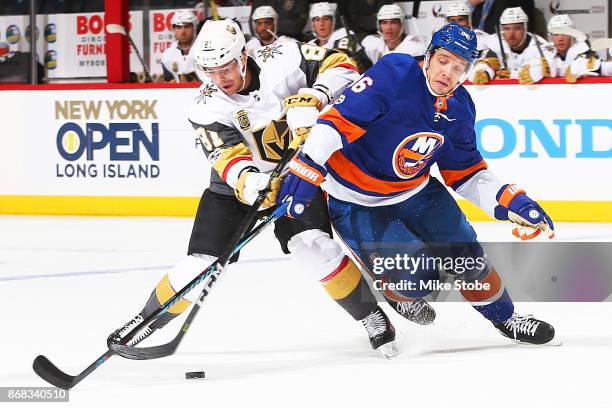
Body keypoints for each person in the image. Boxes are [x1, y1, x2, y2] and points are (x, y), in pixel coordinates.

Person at [108, 19, 435, 359]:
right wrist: (252, 182)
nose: (220, 79)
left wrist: (315, 95)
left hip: (295, 179)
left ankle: (372, 317)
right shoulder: (205, 106)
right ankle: (144, 322)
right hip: (234, 190)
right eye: (210, 71)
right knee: (199, 266)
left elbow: (343, 65)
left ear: (243, 56)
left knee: (315, 249)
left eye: (225, 68)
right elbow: (227, 157)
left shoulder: (285, 56)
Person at [277, 23, 558, 346]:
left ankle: (507, 319)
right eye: (443, 61)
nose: (447, 73)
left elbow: (465, 171)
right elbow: (336, 123)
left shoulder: (460, 107)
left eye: (458, 67)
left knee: (469, 260)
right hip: (358, 201)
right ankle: (397, 290)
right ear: (428, 57)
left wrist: (509, 201)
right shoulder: (396, 74)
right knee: (417, 277)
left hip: (417, 193)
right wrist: (307, 166)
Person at [470, 7, 550, 85]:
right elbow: (484, 62)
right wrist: (483, 71)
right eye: (507, 29)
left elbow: (549, 67)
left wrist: (515, 74)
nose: (511, 34)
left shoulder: (539, 45)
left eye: (517, 28)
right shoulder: (493, 41)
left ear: (525, 28)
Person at [544, 14, 612, 83]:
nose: (560, 38)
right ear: (550, 37)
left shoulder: (584, 50)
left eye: (564, 34)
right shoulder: (544, 52)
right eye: (556, 34)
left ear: (572, 36)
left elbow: (606, 68)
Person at [361, 4, 427, 65]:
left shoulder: (415, 47)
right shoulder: (372, 43)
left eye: (393, 22)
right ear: (379, 26)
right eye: (384, 22)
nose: (389, 27)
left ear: (401, 24)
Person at [160, 9, 199, 83]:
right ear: (173, 29)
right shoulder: (167, 55)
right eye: (179, 27)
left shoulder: (205, 50)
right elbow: (169, 81)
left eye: (187, 26)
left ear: (194, 28)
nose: (183, 31)